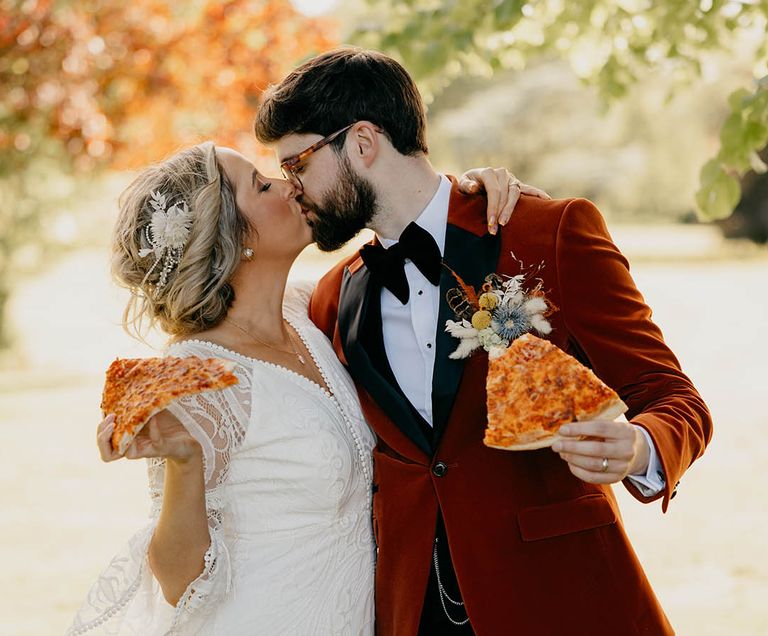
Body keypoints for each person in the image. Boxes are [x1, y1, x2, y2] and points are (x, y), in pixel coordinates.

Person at [252, 47, 714, 635]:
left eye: (299, 163)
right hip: (412, 611)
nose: (292, 188)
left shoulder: (548, 233)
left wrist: (641, 446)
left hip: (561, 600)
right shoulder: (331, 298)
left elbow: (674, 397)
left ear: (363, 142)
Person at [66, 139, 535, 635]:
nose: (289, 185)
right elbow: (177, 580)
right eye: (261, 184)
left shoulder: (310, 311)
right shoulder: (200, 376)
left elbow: (413, 238)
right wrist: (184, 461)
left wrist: (467, 192)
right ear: (232, 236)